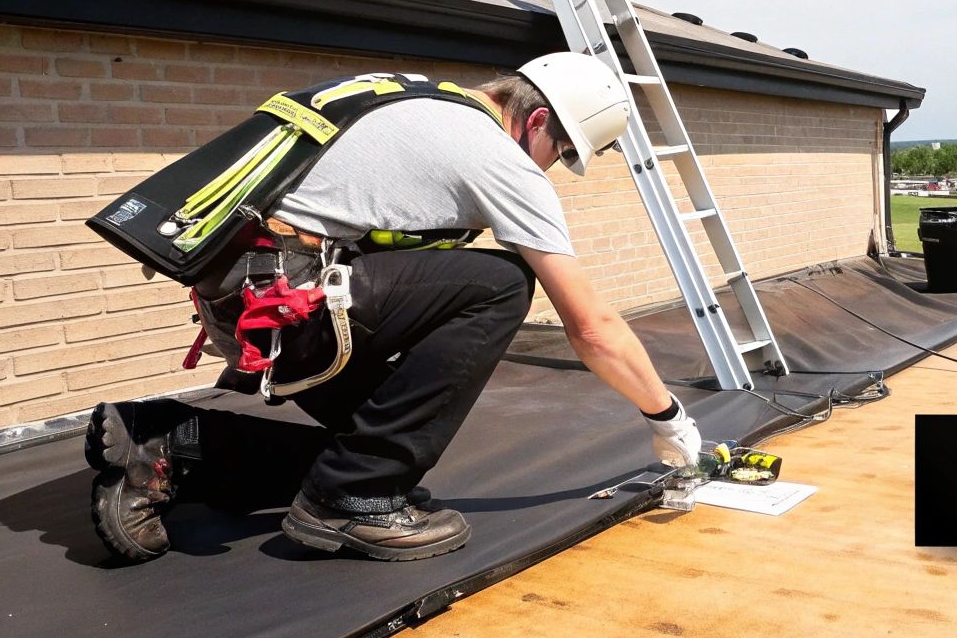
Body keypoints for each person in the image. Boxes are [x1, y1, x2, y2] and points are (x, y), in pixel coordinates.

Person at [83, 53, 702, 562]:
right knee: (503, 282)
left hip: (253, 298)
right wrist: (667, 417)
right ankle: (346, 503)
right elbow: (592, 326)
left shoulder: (417, 100)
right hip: (292, 305)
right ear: (537, 119)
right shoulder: (492, 153)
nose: (555, 170)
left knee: (379, 443)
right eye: (561, 152)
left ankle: (168, 444)